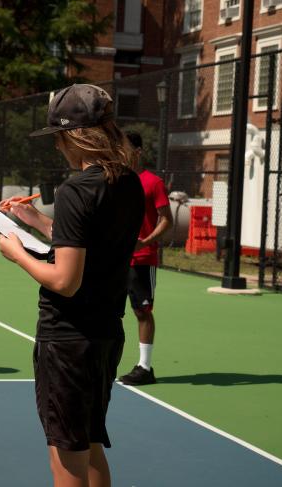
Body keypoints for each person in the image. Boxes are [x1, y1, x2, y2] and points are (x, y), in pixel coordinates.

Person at [0, 84, 144, 487]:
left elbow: (65, 279)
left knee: (66, 459)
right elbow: (92, 243)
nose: (58, 148)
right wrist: (40, 223)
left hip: (67, 340)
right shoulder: (129, 183)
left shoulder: (76, 189)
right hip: (105, 335)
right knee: (90, 443)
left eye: (59, 138)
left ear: (73, 137)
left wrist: (18, 253)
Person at [117, 131, 173, 386]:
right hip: (116, 259)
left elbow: (167, 220)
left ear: (137, 152)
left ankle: (144, 367)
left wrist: (145, 241)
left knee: (142, 311)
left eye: (125, 149)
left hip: (142, 259)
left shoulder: (153, 182)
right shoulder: (116, 180)